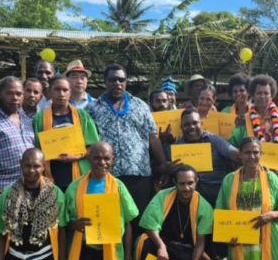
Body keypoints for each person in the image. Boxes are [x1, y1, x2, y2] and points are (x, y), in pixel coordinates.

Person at [85, 64, 169, 237]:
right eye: (113, 79)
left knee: (139, 222)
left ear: (126, 82)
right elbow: (87, 144)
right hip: (108, 176)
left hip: (139, 176)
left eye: (121, 79)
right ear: (105, 82)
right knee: (111, 224)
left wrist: (163, 164)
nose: (117, 83)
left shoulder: (141, 106)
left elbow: (152, 137)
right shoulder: (91, 109)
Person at [59, 142, 138, 260]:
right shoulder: (74, 187)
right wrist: (74, 225)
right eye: (97, 158)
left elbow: (128, 224)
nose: (102, 163)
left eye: (106, 158)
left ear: (112, 159)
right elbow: (64, 224)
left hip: (112, 250)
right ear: (89, 158)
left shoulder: (118, 186)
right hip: (86, 249)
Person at [135, 165, 218, 260]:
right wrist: (161, 246)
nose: (186, 188)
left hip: (186, 251)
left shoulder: (204, 206)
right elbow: (149, 226)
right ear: (175, 182)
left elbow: (200, 241)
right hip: (163, 245)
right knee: (146, 243)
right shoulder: (163, 196)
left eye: (190, 183)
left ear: (196, 182)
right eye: (182, 183)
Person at [216, 137, 278, 260]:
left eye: (255, 152)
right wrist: (227, 236)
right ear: (240, 155)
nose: (251, 156)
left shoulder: (272, 179)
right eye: (247, 152)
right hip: (238, 239)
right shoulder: (229, 179)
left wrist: (271, 215)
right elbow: (221, 212)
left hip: (266, 236)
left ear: (261, 154)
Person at [228, 75, 278, 217]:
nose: (262, 96)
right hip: (252, 176)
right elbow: (232, 144)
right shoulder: (245, 119)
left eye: (266, 93)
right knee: (254, 212)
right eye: (259, 93)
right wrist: (244, 160)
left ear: (272, 95)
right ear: (252, 94)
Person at [33, 75, 100, 192]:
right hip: (49, 178)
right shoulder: (40, 118)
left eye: (65, 90)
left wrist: (76, 157)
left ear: (70, 92)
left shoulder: (82, 116)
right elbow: (36, 149)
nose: (61, 94)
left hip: (78, 176)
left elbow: (94, 148)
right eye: (57, 89)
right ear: (49, 92)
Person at [166, 108, 240, 207]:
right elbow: (164, 168)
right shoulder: (175, 147)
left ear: (201, 124)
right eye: (186, 125)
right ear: (181, 127)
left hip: (217, 194)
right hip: (188, 196)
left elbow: (237, 156)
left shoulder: (215, 140)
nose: (191, 127)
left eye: (195, 123)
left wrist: (257, 161)